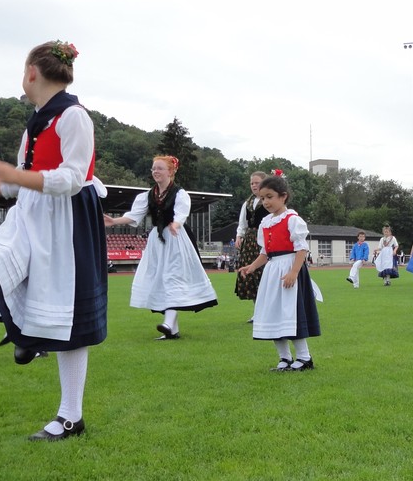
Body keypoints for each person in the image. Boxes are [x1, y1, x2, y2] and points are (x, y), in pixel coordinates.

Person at [0, 40, 107, 441]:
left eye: (23, 70)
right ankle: (28, 334)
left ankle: (70, 415)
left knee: (69, 316)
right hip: (32, 215)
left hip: (67, 220)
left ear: (32, 72)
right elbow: (18, 182)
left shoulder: (74, 117)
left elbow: (72, 178)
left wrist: (15, 176)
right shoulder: (36, 123)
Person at [105, 155, 218, 339]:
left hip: (176, 238)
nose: (155, 171)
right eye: (153, 168)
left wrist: (176, 224)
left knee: (172, 277)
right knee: (161, 279)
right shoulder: (148, 195)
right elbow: (134, 215)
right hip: (158, 241)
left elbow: (181, 213)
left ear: (170, 172)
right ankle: (172, 330)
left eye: (159, 168)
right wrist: (114, 221)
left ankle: (168, 323)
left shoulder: (180, 194)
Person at [237, 174, 321, 371]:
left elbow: (302, 248)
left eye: (270, 197)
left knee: (291, 313)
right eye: (263, 198)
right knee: (273, 312)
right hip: (272, 271)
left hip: (289, 269)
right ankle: (284, 358)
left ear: (283, 196)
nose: (266, 202)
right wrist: (252, 266)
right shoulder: (265, 223)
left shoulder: (293, 220)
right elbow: (265, 252)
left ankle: (304, 358)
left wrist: (293, 272)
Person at [234, 171, 268, 314]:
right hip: (249, 242)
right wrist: (239, 236)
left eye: (257, 183)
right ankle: (257, 312)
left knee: (263, 274)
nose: (254, 186)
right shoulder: (247, 203)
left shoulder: (269, 201)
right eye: (252, 183)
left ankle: (266, 312)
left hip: (264, 239)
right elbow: (242, 223)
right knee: (250, 275)